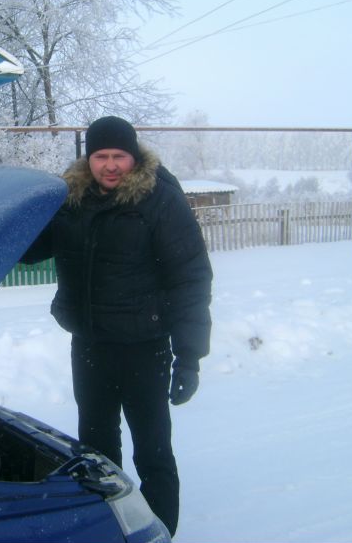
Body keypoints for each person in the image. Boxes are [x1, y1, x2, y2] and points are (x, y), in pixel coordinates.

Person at [23, 115, 213, 536]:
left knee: (152, 450)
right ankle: (105, 527)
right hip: (90, 343)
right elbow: (31, 247)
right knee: (94, 447)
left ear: (134, 156)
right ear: (88, 159)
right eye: (101, 156)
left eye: (119, 156)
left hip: (144, 346)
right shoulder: (71, 200)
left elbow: (191, 279)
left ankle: (160, 530)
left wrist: (189, 359)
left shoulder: (159, 201)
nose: (110, 165)